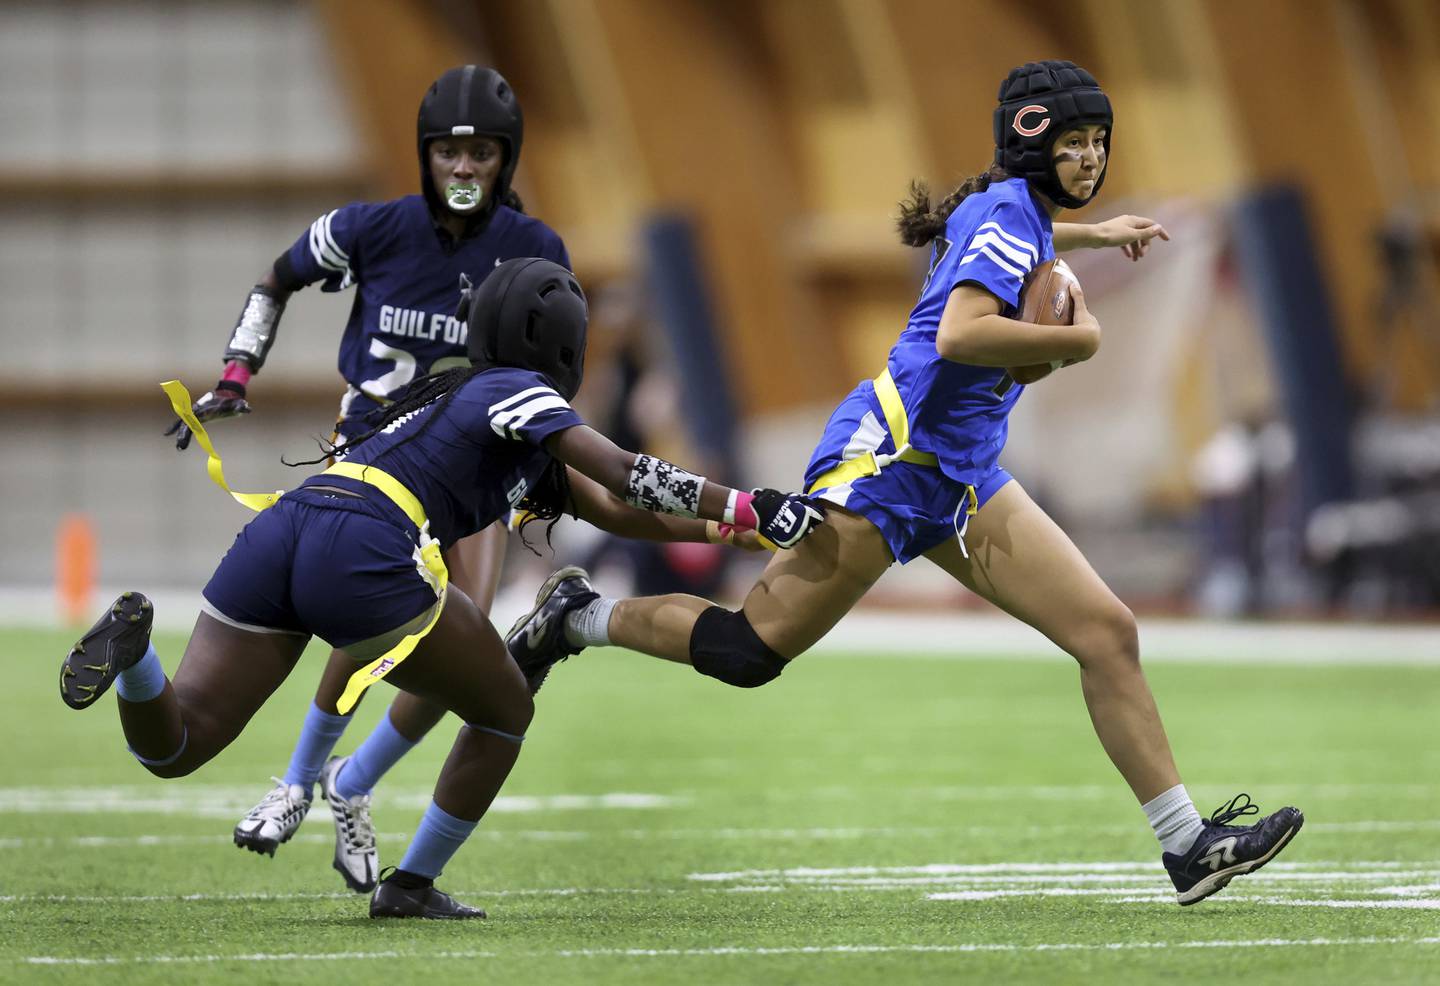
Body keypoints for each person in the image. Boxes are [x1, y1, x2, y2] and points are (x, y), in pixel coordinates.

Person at [505, 61, 1303, 907]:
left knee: (1106, 632)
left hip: (959, 477)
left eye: (1099, 141)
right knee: (746, 653)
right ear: (1032, 147)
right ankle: (578, 617)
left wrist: (1093, 236)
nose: (1091, 158)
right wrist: (1078, 342)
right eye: (1074, 143)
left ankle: (1186, 845)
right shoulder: (1003, 214)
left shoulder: (1008, 210)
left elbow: (1007, 236)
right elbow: (961, 334)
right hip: (888, 467)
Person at [61, 258, 823, 919]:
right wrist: (747, 502)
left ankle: (136, 658)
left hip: (285, 527)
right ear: (561, 342)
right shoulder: (518, 392)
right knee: (504, 710)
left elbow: (624, 510)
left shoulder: (461, 399)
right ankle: (411, 884)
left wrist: (738, 530)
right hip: (363, 543)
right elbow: (625, 469)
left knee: (179, 745)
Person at [164, 66, 568, 893]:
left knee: (465, 638)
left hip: (469, 469)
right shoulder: (372, 228)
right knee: (373, 617)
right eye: (450, 151)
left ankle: (351, 783)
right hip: (370, 468)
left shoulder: (534, 249)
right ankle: (298, 781)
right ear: (426, 155)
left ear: (506, 159)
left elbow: (554, 363)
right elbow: (277, 276)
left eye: (482, 152)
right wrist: (238, 374)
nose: (464, 168)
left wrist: (542, 455)